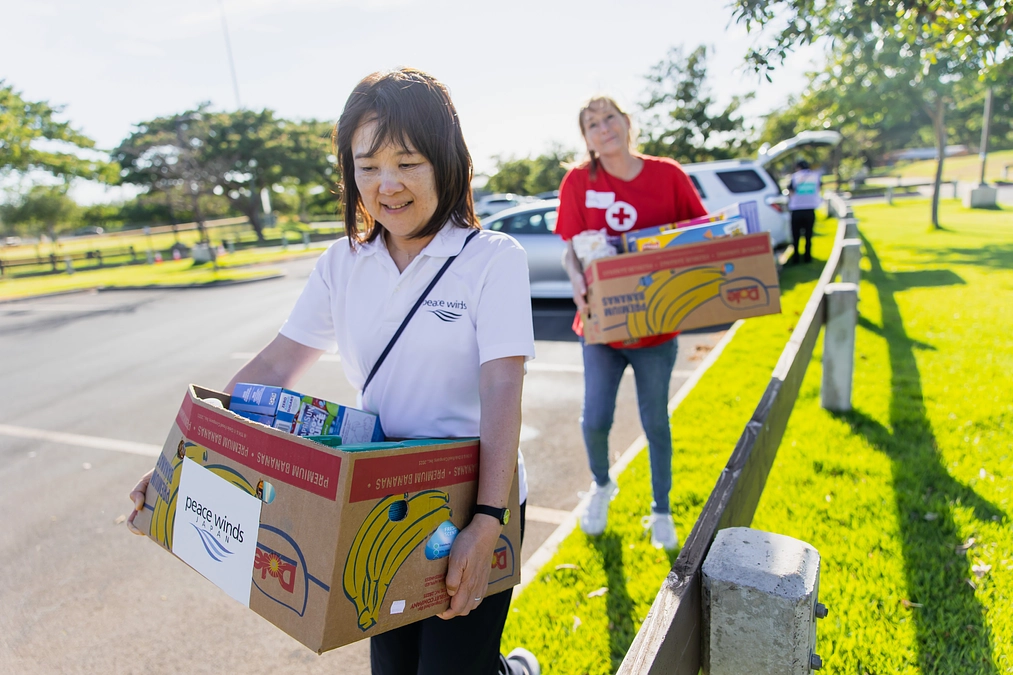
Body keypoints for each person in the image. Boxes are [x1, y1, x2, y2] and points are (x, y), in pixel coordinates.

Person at [126, 68, 540, 675]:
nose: (387, 184)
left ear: (448, 162)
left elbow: (502, 386)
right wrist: (178, 461)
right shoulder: (343, 262)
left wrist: (487, 520)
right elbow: (275, 365)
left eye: (408, 162)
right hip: (377, 503)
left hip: (471, 494)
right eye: (367, 166)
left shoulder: (492, 259)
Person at [555, 96, 707, 551]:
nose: (604, 129)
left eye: (610, 119)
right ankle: (602, 485)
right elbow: (571, 249)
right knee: (595, 418)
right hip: (601, 327)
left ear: (627, 123)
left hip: (656, 329)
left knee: (655, 421)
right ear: (586, 138)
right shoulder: (579, 182)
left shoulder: (668, 175)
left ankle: (661, 510)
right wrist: (576, 282)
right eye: (592, 124)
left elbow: (698, 237)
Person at [787, 159, 822, 264]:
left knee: (796, 236)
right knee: (808, 235)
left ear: (798, 167)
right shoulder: (815, 176)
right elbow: (819, 188)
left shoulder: (794, 177)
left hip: (796, 209)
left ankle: (796, 258)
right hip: (810, 209)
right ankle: (808, 257)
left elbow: (790, 191)